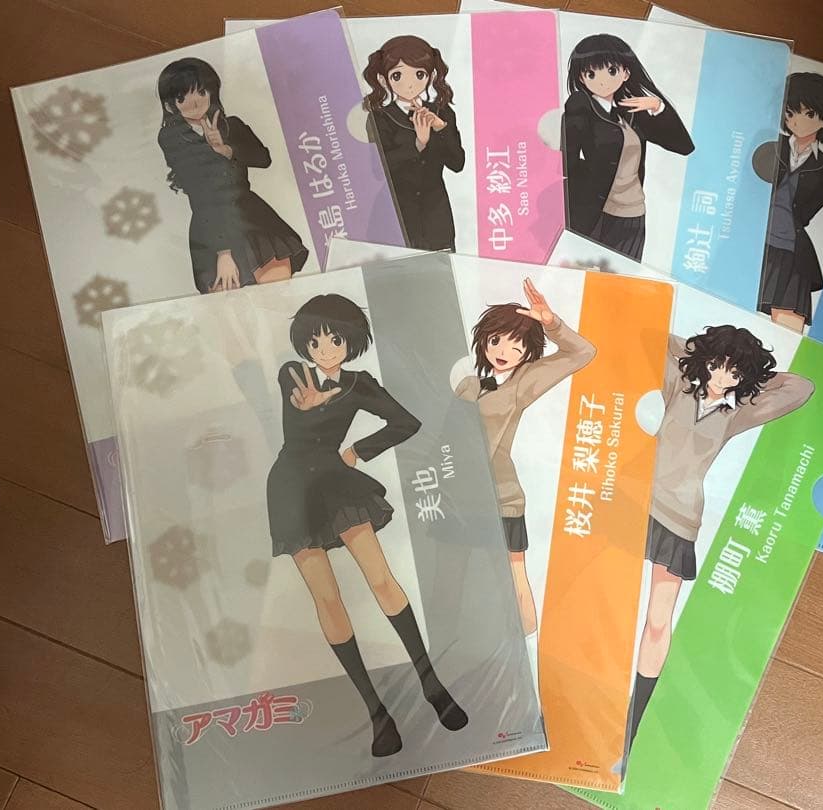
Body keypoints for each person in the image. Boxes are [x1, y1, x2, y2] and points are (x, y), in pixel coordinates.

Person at [267, 294, 467, 757]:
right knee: (327, 597)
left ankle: (431, 683)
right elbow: (298, 407)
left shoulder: (360, 384)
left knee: (381, 580)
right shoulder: (292, 373)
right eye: (315, 341)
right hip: (291, 488)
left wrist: (357, 451)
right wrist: (315, 403)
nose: (324, 349)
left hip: (336, 481)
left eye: (334, 340)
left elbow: (406, 422)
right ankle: (377, 714)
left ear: (351, 340)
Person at [626, 326, 813, 753]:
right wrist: (702, 350)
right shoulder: (678, 381)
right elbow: (654, 332)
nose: (721, 376)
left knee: (658, 621)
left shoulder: (739, 411)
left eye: (734, 371)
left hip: (680, 518)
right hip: (633, 501)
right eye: (717, 364)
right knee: (603, 598)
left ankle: (631, 727)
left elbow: (801, 388)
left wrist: (753, 372)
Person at [455, 279, 596, 697]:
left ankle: (526, 673)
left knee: (515, 581)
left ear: (528, 353)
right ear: (484, 339)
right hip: (462, 500)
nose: (504, 351)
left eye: (517, 346)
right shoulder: (467, 386)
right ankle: (487, 676)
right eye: (498, 340)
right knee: (473, 588)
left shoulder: (524, 381)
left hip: (501, 498)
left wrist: (551, 324)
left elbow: (583, 353)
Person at [157, 57, 308, 294]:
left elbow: (263, 158)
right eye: (182, 98)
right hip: (211, 226)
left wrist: (225, 150)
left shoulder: (232, 125)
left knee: (277, 296)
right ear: (170, 105)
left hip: (253, 217)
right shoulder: (172, 139)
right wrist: (224, 253)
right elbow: (202, 194)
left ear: (212, 91)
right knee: (232, 306)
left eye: (201, 92)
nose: (195, 102)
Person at [562, 34, 694, 261]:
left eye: (611, 71)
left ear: (626, 73)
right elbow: (567, 161)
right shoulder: (581, 108)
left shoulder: (631, 112)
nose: (602, 81)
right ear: (582, 78)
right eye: (591, 74)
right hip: (597, 214)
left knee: (622, 277)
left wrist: (659, 107)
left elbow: (683, 146)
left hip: (634, 215)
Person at [757, 71, 823, 332]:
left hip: (792, 252)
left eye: (808, 114)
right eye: (790, 112)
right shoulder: (769, 147)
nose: (796, 121)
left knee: (787, 327)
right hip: (754, 243)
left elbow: (806, 214)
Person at [362, 35, 465, 251]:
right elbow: (378, 170)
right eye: (397, 75)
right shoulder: (379, 117)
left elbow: (458, 163)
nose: (409, 84)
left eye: (419, 74)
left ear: (431, 75)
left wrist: (441, 128)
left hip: (435, 214)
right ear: (383, 80)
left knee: (438, 268)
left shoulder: (442, 113)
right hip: (396, 213)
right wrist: (418, 144)